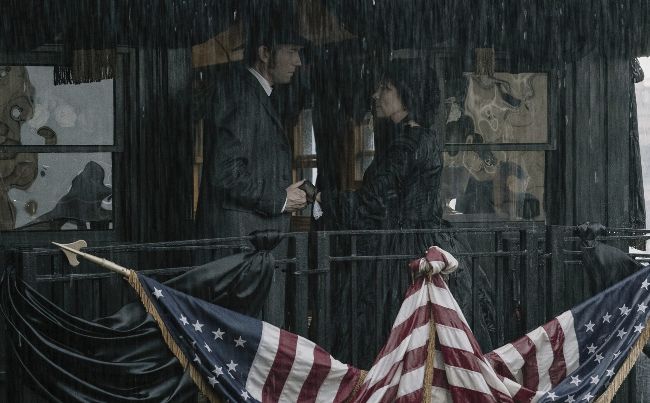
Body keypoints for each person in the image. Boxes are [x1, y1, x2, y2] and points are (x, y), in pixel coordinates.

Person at [323, 58, 496, 367]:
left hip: (402, 253)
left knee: (392, 338)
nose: (376, 95)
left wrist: (320, 199)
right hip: (422, 243)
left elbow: (371, 204)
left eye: (385, 88)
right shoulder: (420, 138)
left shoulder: (408, 144)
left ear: (407, 95)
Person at [194, 19, 308, 327]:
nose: (298, 61)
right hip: (242, 248)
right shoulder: (241, 95)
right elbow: (226, 173)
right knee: (245, 338)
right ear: (264, 53)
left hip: (254, 248)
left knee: (254, 338)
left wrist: (285, 196)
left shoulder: (254, 94)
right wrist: (280, 199)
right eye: (291, 51)